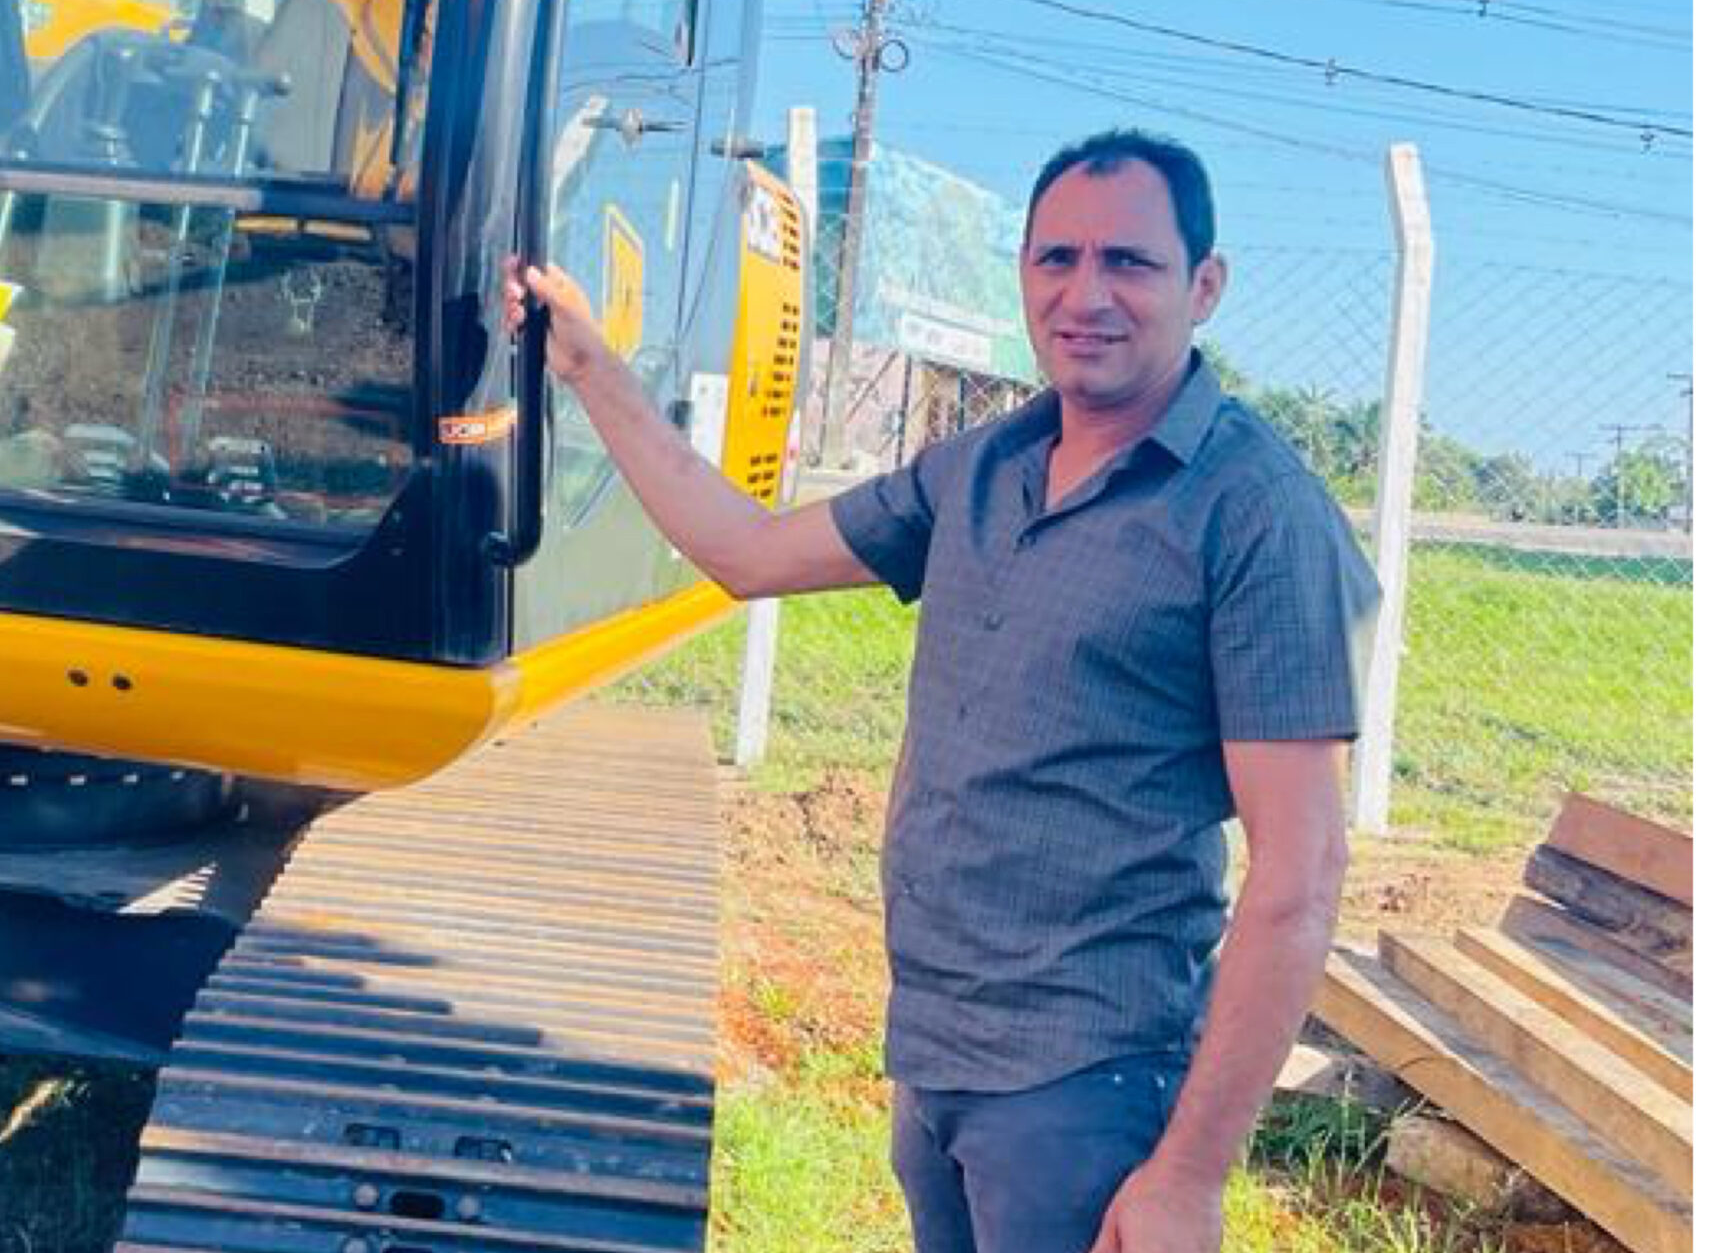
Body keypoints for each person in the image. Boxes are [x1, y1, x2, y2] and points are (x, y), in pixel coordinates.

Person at [507, 128, 1379, 1253]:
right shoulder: (983, 468)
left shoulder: (1255, 512)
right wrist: (591, 371)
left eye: (1129, 262)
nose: (1086, 294)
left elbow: (1301, 877)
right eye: (1057, 258)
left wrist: (1189, 1175)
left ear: (1203, 285)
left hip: (1087, 1085)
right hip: (934, 1051)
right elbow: (749, 552)